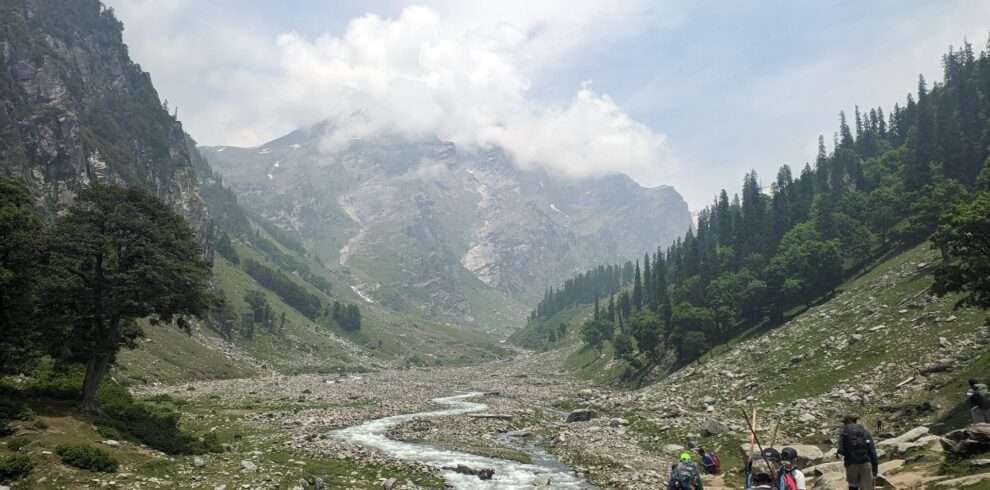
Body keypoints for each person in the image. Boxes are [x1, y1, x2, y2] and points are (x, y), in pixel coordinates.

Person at [837, 414, 878, 490]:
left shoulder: (844, 432)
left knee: (853, 486)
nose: (844, 424)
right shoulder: (864, 431)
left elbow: (841, 451)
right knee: (867, 487)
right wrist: (875, 467)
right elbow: (872, 450)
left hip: (851, 463)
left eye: (844, 422)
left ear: (847, 422)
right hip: (865, 462)